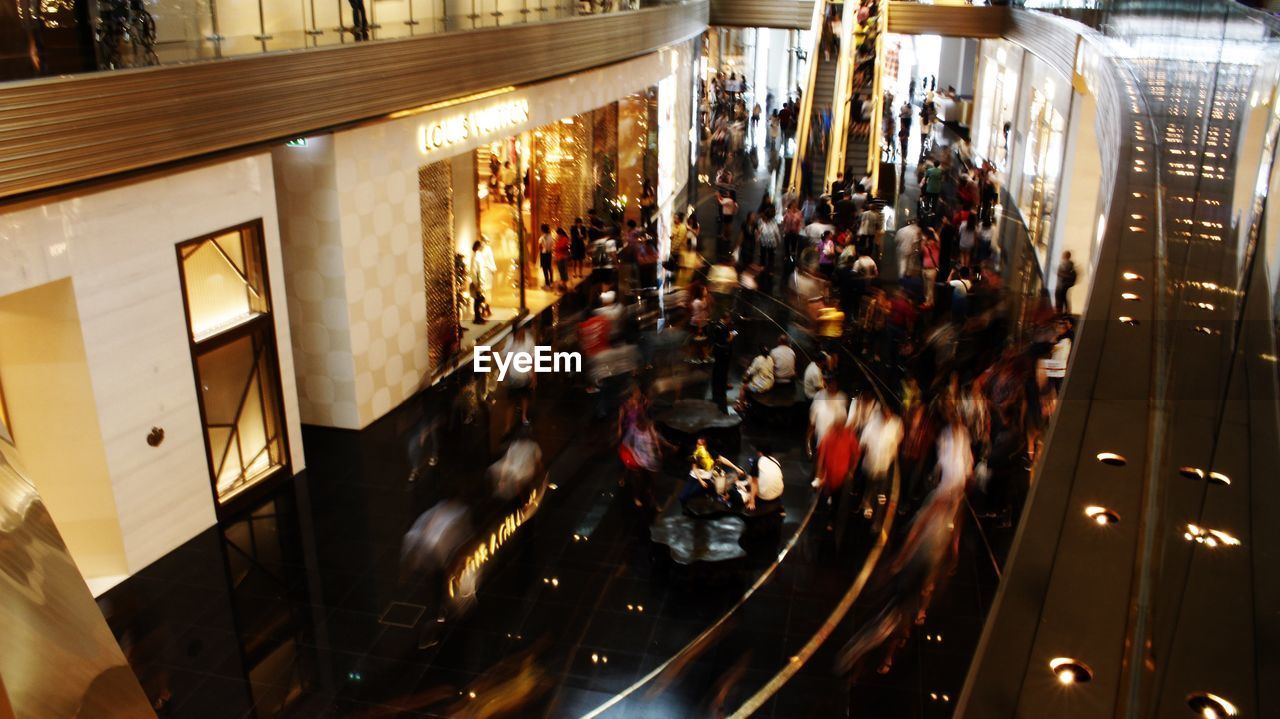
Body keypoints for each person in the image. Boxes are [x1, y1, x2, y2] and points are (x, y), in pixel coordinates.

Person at [858, 400, 903, 520]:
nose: (886, 415)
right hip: (871, 461)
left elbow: (898, 439)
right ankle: (866, 503)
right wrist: (866, 449)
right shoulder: (872, 422)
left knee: (881, 484)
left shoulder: (897, 423)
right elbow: (863, 441)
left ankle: (878, 511)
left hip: (885, 461)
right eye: (884, 412)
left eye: (888, 412)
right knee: (870, 483)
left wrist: (892, 453)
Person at [505, 326, 536, 425]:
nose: (520, 334)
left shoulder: (529, 340)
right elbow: (506, 357)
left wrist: (534, 376)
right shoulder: (510, 340)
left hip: (525, 375)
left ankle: (523, 416)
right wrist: (505, 373)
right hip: (513, 376)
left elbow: (532, 358)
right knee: (511, 402)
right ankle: (508, 427)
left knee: (525, 397)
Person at [708, 314, 737, 412]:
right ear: (727, 319)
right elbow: (726, 340)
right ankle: (721, 387)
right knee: (722, 370)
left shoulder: (718, 326)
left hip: (719, 351)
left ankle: (719, 385)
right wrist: (732, 335)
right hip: (723, 352)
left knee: (719, 369)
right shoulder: (722, 328)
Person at [737, 344, 776, 411]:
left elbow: (749, 372)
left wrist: (744, 377)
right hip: (770, 384)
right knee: (751, 383)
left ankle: (741, 406)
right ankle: (746, 401)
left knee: (743, 387)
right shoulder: (770, 359)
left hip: (760, 386)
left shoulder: (758, 359)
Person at [470, 237, 495, 324]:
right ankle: (477, 318)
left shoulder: (478, 255)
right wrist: (477, 283)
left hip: (480, 282)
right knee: (478, 300)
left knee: (479, 300)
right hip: (478, 283)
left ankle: (479, 316)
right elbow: (474, 271)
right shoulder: (476, 257)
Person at [1055, 250, 1077, 315]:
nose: (1062, 256)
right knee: (1064, 298)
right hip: (1064, 285)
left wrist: (1060, 273)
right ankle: (1065, 312)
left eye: (1063, 254)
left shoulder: (1066, 264)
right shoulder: (1069, 265)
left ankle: (1061, 312)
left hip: (1062, 285)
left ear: (1065, 256)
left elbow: (1063, 274)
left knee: (1060, 298)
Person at [538, 224, 555, 288]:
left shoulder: (542, 238)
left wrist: (542, 249)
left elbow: (539, 247)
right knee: (549, 267)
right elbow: (552, 244)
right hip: (549, 253)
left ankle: (547, 284)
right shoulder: (550, 236)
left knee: (545, 269)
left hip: (544, 253)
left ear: (542, 230)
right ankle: (551, 281)